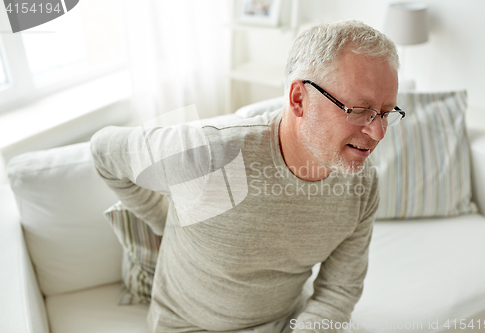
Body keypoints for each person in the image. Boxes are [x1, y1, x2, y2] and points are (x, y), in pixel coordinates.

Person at [91, 20, 401, 333]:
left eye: (386, 112)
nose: (378, 132)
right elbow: (104, 151)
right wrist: (168, 221)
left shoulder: (362, 184)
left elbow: (339, 290)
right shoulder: (209, 154)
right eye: (360, 109)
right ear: (299, 100)